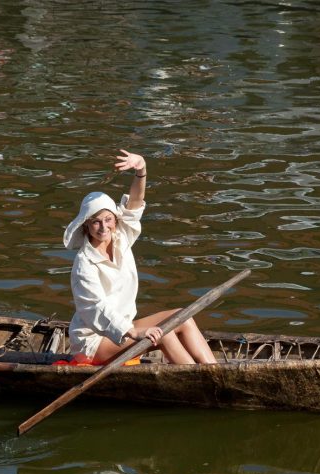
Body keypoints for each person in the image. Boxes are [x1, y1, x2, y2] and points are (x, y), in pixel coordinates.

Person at [63, 150, 216, 365]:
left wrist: (141, 170)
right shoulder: (84, 264)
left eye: (108, 219)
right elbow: (95, 309)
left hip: (125, 327)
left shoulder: (122, 237)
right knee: (164, 334)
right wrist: (133, 332)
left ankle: (214, 371)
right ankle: (201, 382)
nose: (103, 227)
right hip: (94, 342)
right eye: (96, 222)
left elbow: (135, 202)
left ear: (115, 220)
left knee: (183, 317)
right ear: (86, 225)